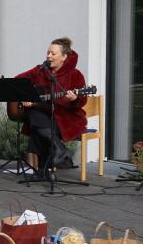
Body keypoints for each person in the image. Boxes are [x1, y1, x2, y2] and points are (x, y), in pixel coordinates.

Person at [14, 37, 88, 180]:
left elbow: (82, 101)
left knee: (37, 124)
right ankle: (58, 149)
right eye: (48, 52)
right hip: (45, 116)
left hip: (67, 118)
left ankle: (43, 171)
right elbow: (17, 80)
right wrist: (26, 96)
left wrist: (75, 99)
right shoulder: (40, 70)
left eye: (53, 54)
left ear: (64, 57)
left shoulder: (75, 74)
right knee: (35, 115)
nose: (48, 56)